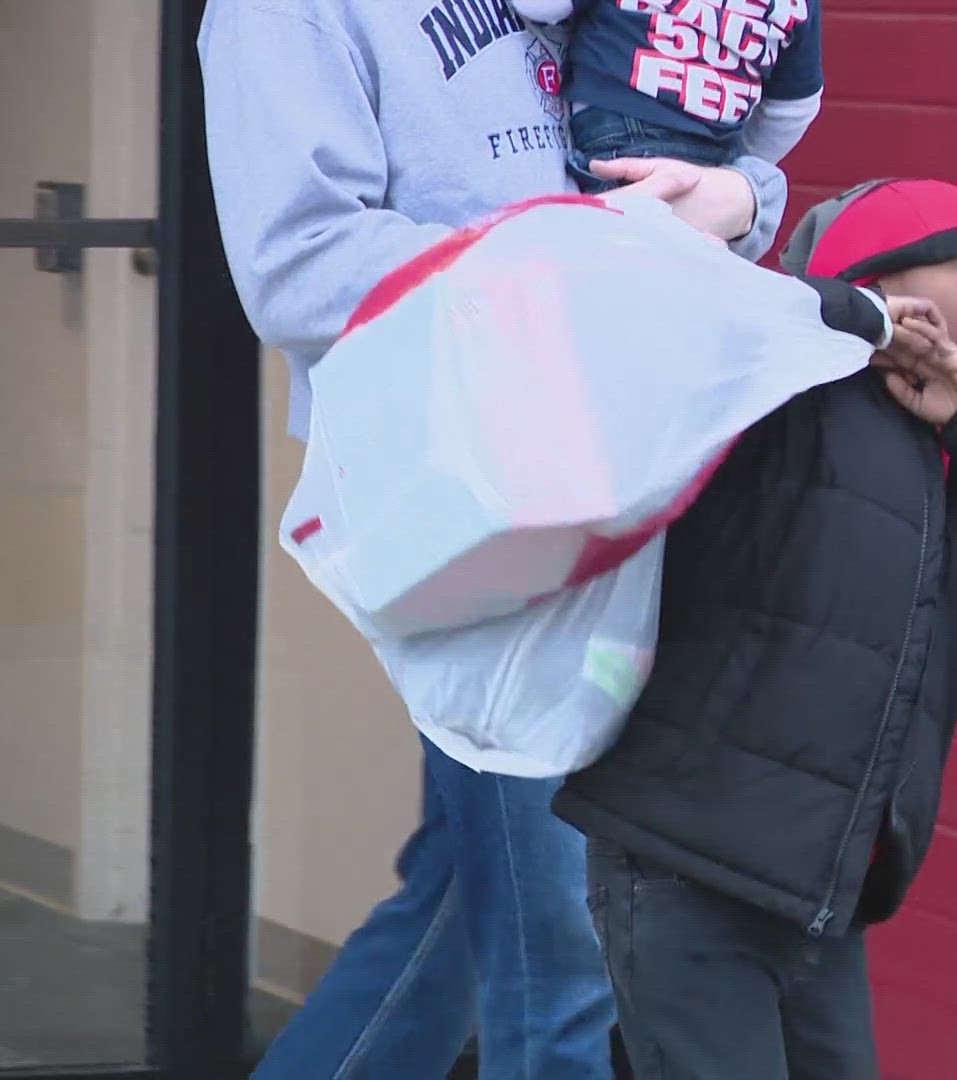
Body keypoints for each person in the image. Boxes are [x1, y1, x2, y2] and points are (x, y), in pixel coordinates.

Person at [198, 1, 788, 1076]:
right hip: (462, 490)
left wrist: (745, 196)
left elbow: (720, 148)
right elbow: (295, 263)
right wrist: (581, 262)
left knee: (476, 898)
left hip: (622, 468)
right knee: (564, 938)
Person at [553, 179, 957, 1079]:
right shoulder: (777, 399)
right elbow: (657, 308)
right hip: (684, 868)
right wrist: (842, 318)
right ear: (877, 275)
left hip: (821, 903)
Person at [510, 0, 824, 187]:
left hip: (620, 134)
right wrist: (740, 166)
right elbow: (794, 108)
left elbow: (540, 6)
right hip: (718, 151)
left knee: (606, 269)